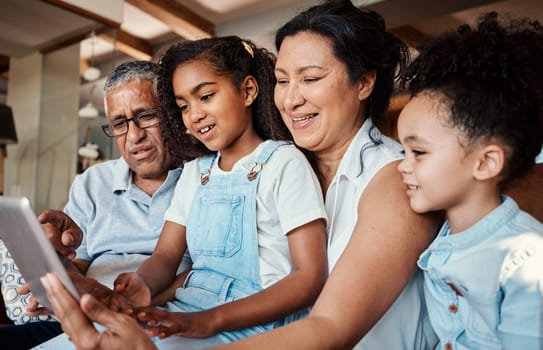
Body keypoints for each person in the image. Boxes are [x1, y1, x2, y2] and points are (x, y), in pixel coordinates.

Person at [37, 1, 441, 349]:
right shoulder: (267, 165)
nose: (291, 97)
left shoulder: (395, 179)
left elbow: (328, 328)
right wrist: (118, 295)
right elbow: (194, 269)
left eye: (311, 78)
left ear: (365, 82)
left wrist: (192, 328)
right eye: (282, 80)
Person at [106, 36, 328, 349]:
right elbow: (166, 255)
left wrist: (209, 320)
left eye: (206, 96)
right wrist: (143, 282)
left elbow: (309, 277)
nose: (194, 115)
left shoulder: (283, 163)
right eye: (183, 106)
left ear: (247, 91)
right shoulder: (196, 172)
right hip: (186, 312)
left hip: (254, 325)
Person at [0, 60, 190, 349]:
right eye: (119, 124)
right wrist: (60, 271)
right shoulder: (94, 181)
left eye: (146, 116)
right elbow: (79, 263)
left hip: (156, 319)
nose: (134, 136)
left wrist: (120, 303)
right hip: (81, 316)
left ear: (171, 114)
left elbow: (209, 275)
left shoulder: (201, 179)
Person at [397, 12, 543, 349]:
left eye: (418, 152)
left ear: (486, 162)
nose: (402, 167)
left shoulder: (525, 258)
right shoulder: (441, 241)